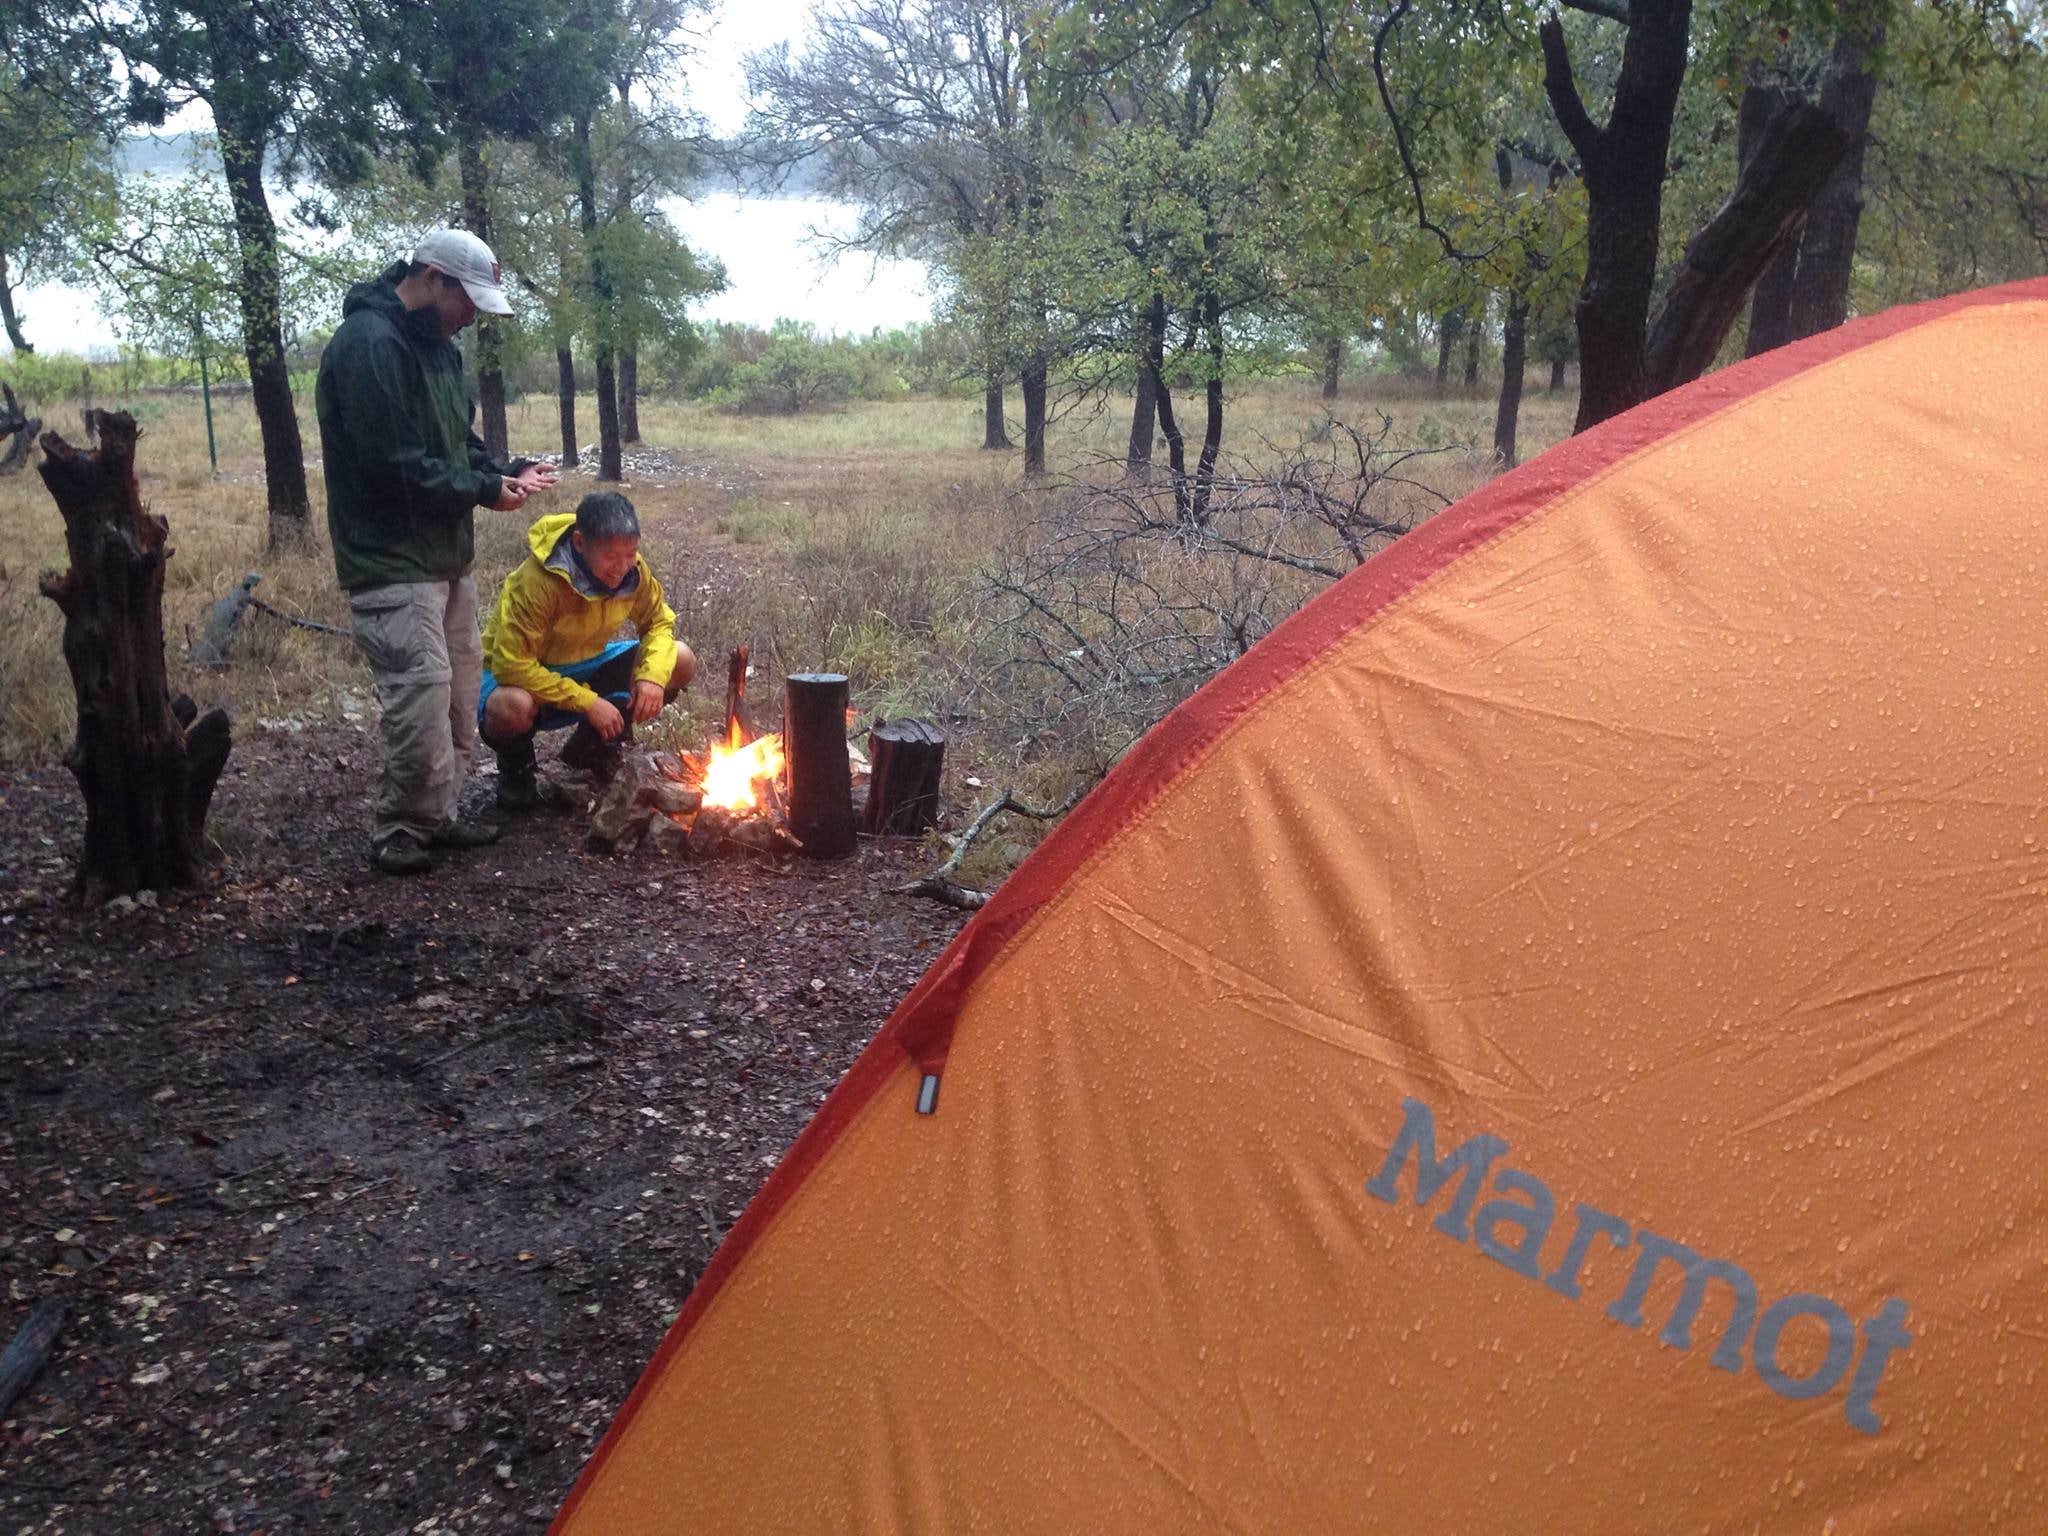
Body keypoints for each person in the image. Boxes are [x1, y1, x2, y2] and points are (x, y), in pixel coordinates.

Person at [315, 228, 559, 875]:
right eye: (466, 300)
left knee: (454, 694)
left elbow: (456, 443)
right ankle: (400, 826)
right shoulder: (369, 346)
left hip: (446, 557)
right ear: (430, 278)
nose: (471, 316)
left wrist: (503, 470)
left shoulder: (440, 351)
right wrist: (483, 488)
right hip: (390, 559)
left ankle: (438, 814)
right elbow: (392, 464)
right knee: (418, 693)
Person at [479, 491, 696, 811]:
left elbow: (659, 623)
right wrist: (589, 702)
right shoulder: (539, 581)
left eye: (631, 553)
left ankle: (593, 746)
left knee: (679, 659)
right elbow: (512, 666)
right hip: (517, 675)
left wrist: (652, 677)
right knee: (511, 706)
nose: (621, 567)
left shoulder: (633, 571)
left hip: (587, 663)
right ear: (580, 543)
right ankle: (517, 773)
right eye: (610, 556)